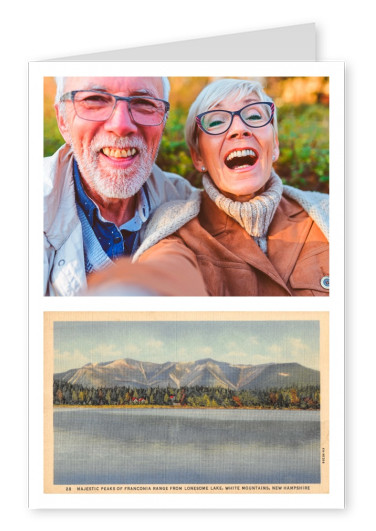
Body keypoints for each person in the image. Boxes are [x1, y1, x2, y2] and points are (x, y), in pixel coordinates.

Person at [87, 78, 329, 296]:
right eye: (216, 121)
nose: (239, 129)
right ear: (198, 157)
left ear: (274, 144)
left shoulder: (328, 213)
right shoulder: (177, 229)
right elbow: (165, 271)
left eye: (254, 116)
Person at [44, 76, 198, 296]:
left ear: (163, 121)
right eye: (95, 99)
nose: (121, 125)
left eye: (144, 103)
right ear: (62, 120)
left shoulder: (187, 204)